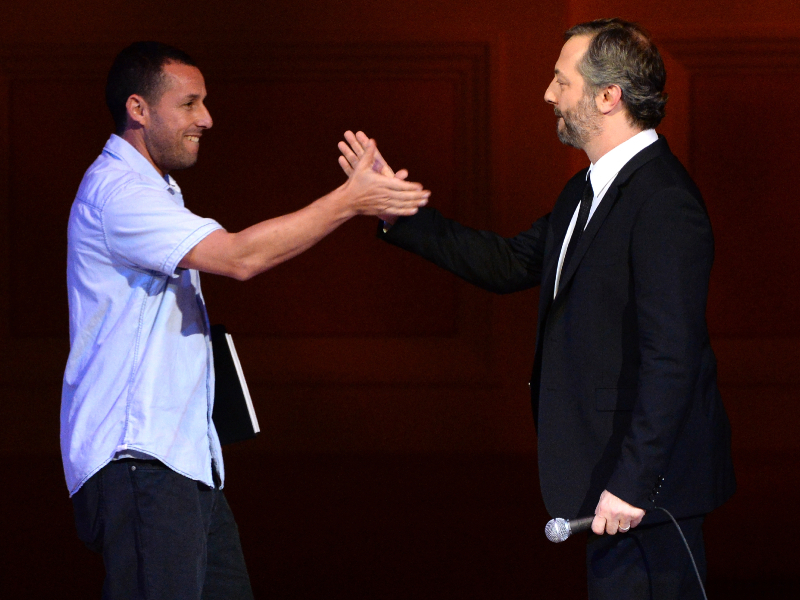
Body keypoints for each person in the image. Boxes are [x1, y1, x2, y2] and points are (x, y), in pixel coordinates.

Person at [338, 18, 735, 600]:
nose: (549, 95)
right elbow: (505, 263)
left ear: (608, 97)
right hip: (608, 487)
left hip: (645, 500)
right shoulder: (583, 191)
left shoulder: (663, 201)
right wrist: (397, 211)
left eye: (560, 81)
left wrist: (632, 486)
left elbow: (672, 358)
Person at [61, 41, 429, 599]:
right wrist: (350, 201)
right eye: (189, 104)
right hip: (140, 463)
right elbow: (239, 257)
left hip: (183, 465)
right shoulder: (119, 193)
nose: (206, 119)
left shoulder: (154, 190)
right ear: (139, 108)